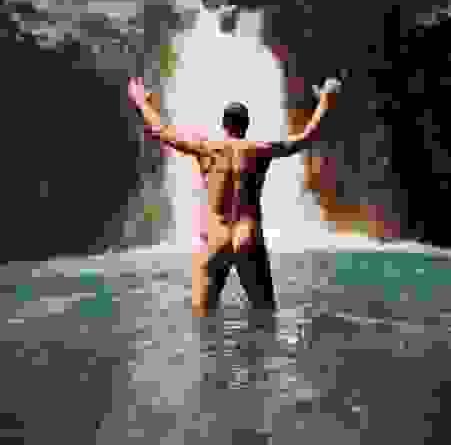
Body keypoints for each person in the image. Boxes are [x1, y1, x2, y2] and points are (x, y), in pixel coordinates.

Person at [128, 76, 341, 317]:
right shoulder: (261, 149)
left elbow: (161, 131)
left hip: (215, 236)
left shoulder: (206, 148)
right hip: (247, 234)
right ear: (247, 125)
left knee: (203, 319)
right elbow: (307, 137)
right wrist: (325, 99)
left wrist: (141, 101)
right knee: (265, 315)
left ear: (223, 124)